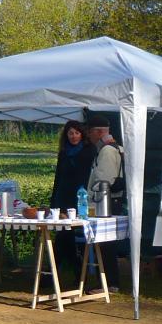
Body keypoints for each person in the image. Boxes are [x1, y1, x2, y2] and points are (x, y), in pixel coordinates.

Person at [49, 120, 94, 284]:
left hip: (80, 198)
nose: (73, 136)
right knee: (63, 234)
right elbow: (58, 177)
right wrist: (54, 201)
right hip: (63, 196)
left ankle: (56, 273)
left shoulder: (89, 150)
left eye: (76, 133)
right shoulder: (64, 152)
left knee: (64, 237)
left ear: (81, 134)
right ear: (66, 135)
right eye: (70, 133)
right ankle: (75, 274)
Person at [85, 113, 127, 288]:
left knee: (106, 245)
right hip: (110, 202)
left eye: (90, 132)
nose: (88, 135)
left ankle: (110, 283)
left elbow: (104, 181)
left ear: (100, 132)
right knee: (105, 244)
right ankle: (108, 282)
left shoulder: (107, 150)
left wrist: (90, 196)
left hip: (106, 203)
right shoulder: (113, 147)